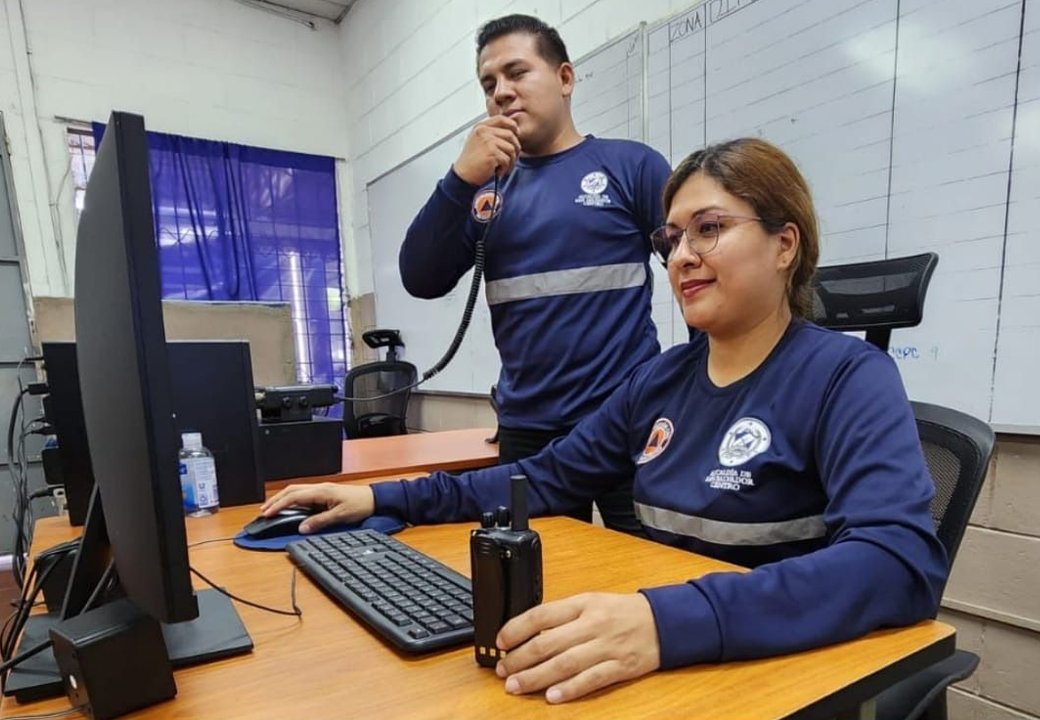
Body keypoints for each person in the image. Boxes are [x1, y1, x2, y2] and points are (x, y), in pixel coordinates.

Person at [264, 138, 948, 703]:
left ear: (784, 244)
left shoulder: (849, 378)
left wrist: (665, 621)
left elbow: (899, 564)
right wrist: (385, 496)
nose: (681, 255)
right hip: (675, 661)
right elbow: (544, 478)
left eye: (709, 229)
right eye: (672, 237)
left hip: (773, 678)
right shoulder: (659, 380)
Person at [399, 14, 672, 533]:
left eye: (517, 72)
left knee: (649, 575)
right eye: (488, 84)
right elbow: (421, 278)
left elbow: (699, 273)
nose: (501, 93)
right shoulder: (484, 193)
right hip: (528, 431)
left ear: (565, 79)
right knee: (535, 583)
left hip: (626, 424)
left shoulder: (632, 166)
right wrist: (460, 178)